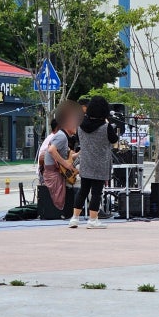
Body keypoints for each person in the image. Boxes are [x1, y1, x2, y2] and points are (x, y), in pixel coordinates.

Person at [70, 96, 120, 229]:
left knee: (83, 191)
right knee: (96, 193)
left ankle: (74, 218)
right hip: (100, 164)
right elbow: (114, 140)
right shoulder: (106, 127)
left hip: (86, 162)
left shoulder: (80, 126)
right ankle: (93, 220)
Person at [37, 101, 82, 215]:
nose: (76, 126)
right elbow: (52, 150)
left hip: (57, 172)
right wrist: (66, 164)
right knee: (82, 184)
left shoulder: (63, 136)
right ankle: (82, 211)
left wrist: (81, 152)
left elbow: (69, 156)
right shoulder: (62, 136)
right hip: (54, 174)